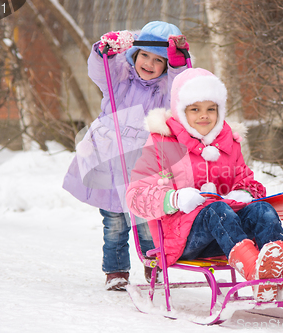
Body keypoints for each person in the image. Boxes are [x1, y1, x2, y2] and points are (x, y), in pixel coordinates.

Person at [126, 68, 283, 302]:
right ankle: (258, 275)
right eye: (195, 109)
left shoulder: (229, 144)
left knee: (262, 209)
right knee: (216, 210)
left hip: (230, 239)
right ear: (181, 111)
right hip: (181, 239)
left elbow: (249, 181)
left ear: (219, 110)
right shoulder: (162, 143)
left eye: (210, 109)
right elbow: (135, 195)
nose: (204, 116)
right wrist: (173, 199)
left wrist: (245, 192)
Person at [62, 21, 190, 291]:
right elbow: (100, 69)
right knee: (114, 222)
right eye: (144, 55)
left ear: (166, 66)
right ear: (135, 55)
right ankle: (116, 271)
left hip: (145, 165)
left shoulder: (166, 91)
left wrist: (180, 64)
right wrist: (103, 51)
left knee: (147, 220)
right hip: (109, 162)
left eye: (159, 60)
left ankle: (153, 264)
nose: (149, 63)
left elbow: (184, 88)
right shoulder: (119, 80)